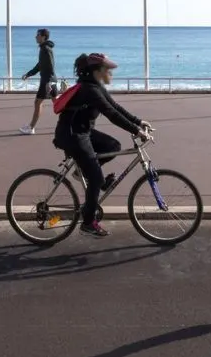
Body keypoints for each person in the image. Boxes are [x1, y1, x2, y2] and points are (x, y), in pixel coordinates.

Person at [53, 52, 152, 238]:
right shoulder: (89, 90)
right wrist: (136, 131)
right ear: (97, 71)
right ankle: (88, 223)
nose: (111, 74)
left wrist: (138, 122)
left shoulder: (95, 86)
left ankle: (82, 171)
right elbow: (111, 115)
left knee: (113, 146)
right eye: (108, 70)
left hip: (83, 132)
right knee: (97, 179)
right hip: (72, 135)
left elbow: (115, 107)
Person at [20, 29, 57, 135]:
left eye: (38, 35)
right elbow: (40, 65)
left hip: (47, 81)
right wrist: (29, 74)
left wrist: (48, 82)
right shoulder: (44, 48)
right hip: (49, 80)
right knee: (57, 104)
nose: (35, 37)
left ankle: (31, 127)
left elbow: (50, 65)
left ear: (43, 37)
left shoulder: (46, 49)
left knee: (38, 102)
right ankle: (71, 124)